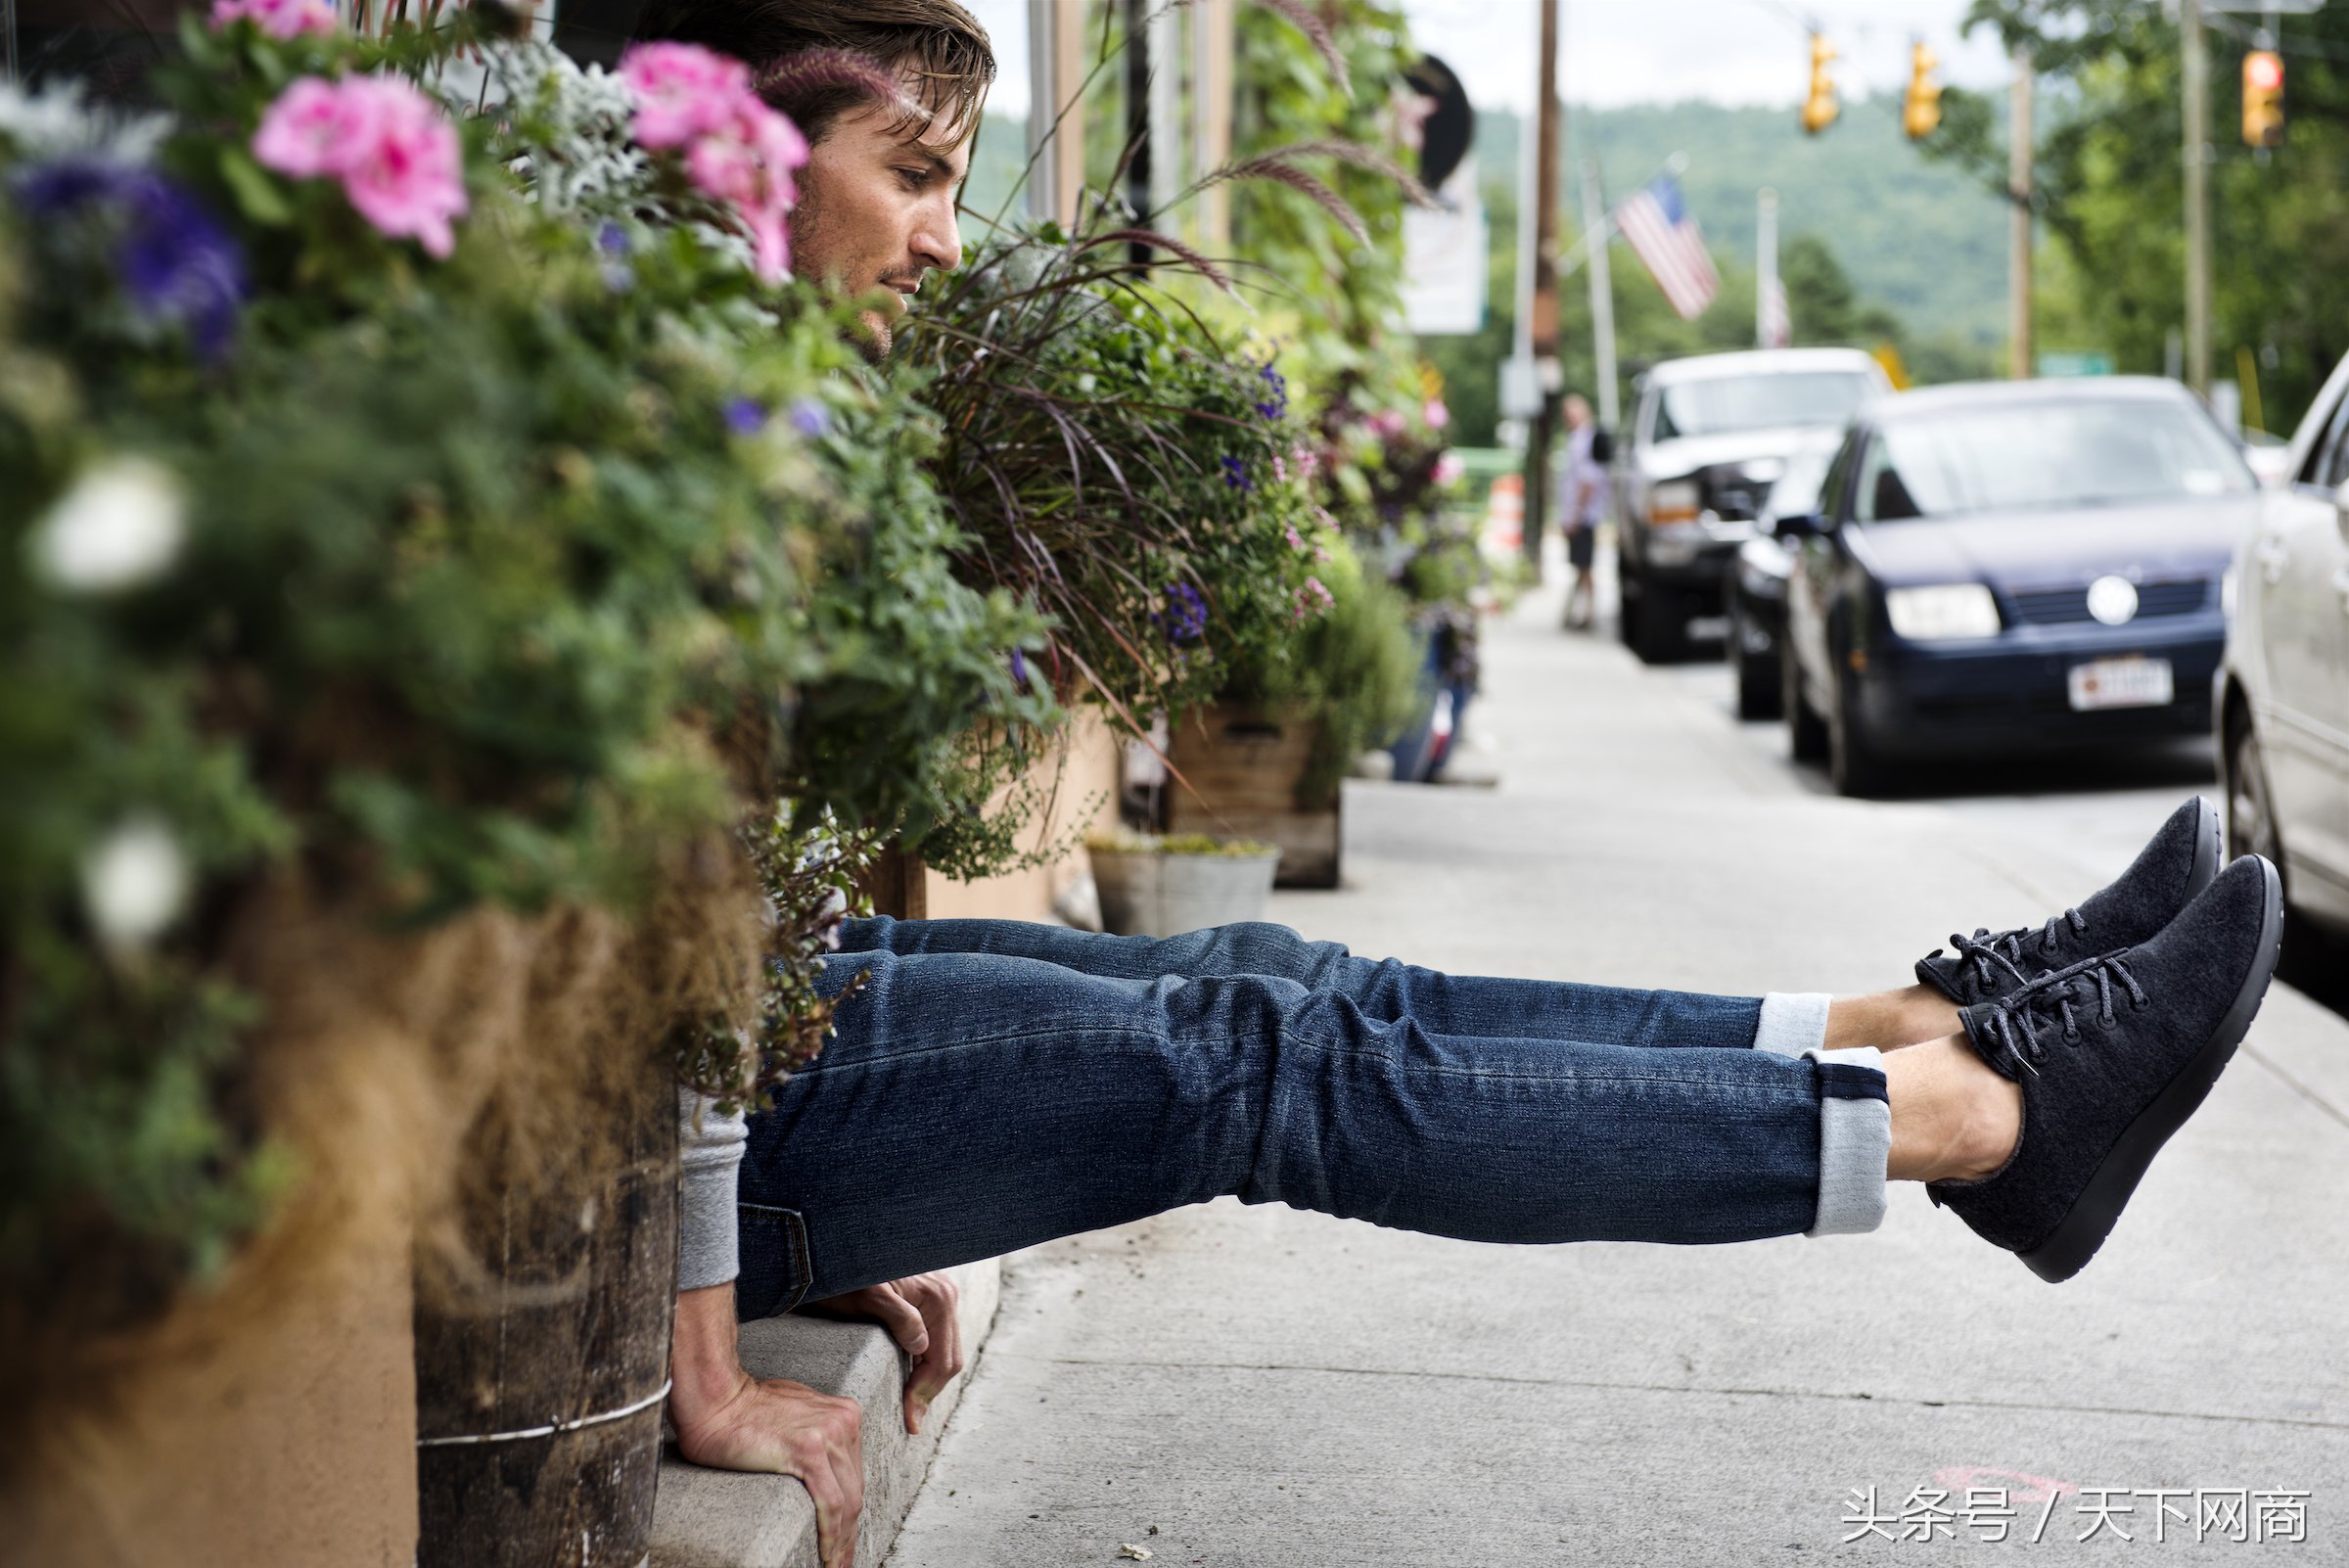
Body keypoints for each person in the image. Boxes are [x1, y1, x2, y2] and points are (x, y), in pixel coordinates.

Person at [631, 10, 2285, 1568]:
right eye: (914, 172)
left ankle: (1906, 1025)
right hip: (699, 1122)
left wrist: (838, 1209)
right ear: (745, 157)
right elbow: (666, 951)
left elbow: (711, 947)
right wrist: (707, 1334)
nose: (945, 238)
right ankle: (1976, 1119)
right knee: (1266, 1064)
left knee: (1288, 980)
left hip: (771, 1042)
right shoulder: (648, 416)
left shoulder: (709, 379)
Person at [1560, 392, 1605, 630]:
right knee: (1580, 566)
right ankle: (1574, 611)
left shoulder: (1582, 440)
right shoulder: (1579, 438)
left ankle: (1588, 613)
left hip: (1583, 514)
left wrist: (1576, 514)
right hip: (1582, 513)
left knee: (1584, 566)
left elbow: (1588, 481)